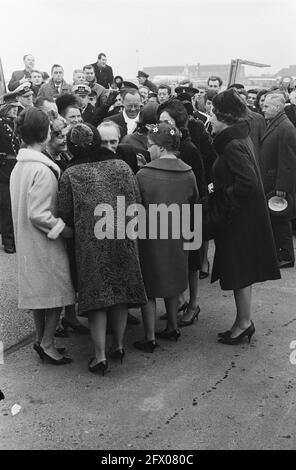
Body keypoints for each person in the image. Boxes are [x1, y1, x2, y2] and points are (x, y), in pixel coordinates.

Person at [58, 123, 147, 373]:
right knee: (119, 292)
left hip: (90, 244)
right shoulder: (121, 166)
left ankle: (99, 356)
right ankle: (118, 345)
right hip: (123, 236)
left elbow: (64, 212)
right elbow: (137, 200)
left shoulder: (70, 173)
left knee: (97, 298)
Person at [208, 89, 280, 344]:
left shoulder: (232, 144)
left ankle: (244, 323)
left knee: (240, 271)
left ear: (222, 117)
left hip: (239, 219)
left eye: (212, 113)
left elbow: (248, 183)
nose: (210, 118)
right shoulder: (239, 137)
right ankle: (242, 321)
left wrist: (224, 199)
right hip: (243, 217)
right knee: (242, 272)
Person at [10, 107, 75, 364]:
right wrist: (64, 229)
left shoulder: (20, 167)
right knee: (56, 295)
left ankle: (41, 339)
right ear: (46, 133)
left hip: (27, 242)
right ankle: (48, 344)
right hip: (45, 242)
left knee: (39, 297)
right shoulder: (43, 170)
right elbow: (39, 214)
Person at [133, 122, 199, 352]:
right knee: (173, 283)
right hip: (179, 236)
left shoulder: (144, 174)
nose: (148, 149)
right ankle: (173, 326)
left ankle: (149, 336)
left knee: (149, 288)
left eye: (150, 145)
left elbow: (135, 208)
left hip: (150, 237)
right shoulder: (188, 172)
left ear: (160, 148)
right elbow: (194, 207)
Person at [158, 99, 206, 326]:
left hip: (189, 212)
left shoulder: (188, 148)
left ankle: (193, 304)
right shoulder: (162, 146)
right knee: (175, 260)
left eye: (166, 122)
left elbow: (200, 186)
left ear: (178, 123)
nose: (162, 126)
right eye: (160, 122)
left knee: (192, 263)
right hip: (169, 212)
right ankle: (179, 301)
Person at [260, 93, 296, 268]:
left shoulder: (285, 128)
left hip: (276, 184)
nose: (263, 109)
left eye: (266, 106)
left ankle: (287, 255)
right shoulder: (278, 124)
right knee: (276, 220)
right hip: (272, 181)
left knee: (280, 220)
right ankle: (279, 253)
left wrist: (282, 187)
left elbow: (287, 161)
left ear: (276, 108)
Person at [0, 93, 20, 253]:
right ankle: (8, 242)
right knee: (6, 206)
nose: (15, 110)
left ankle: (15, 239)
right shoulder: (0, 125)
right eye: (12, 107)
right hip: (3, 170)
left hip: (16, 167)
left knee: (15, 205)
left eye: (16, 107)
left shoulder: (16, 124)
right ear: (6, 108)